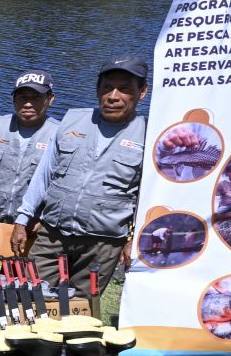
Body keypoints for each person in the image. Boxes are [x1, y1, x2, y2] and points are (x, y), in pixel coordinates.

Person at [12, 56, 149, 304]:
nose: (113, 96)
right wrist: (23, 219)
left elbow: (147, 196)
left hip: (103, 244)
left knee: (82, 311)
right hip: (52, 235)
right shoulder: (72, 121)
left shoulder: (149, 134)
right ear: (97, 90)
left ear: (142, 93)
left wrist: (135, 240)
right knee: (30, 300)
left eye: (125, 89)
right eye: (107, 87)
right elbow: (44, 174)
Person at [0, 71, 58, 259]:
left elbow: (63, 186)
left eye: (36, 98)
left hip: (31, 232)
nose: (28, 103)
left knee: (20, 287)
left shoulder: (59, 135)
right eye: (22, 97)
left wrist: (42, 218)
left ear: (50, 99)